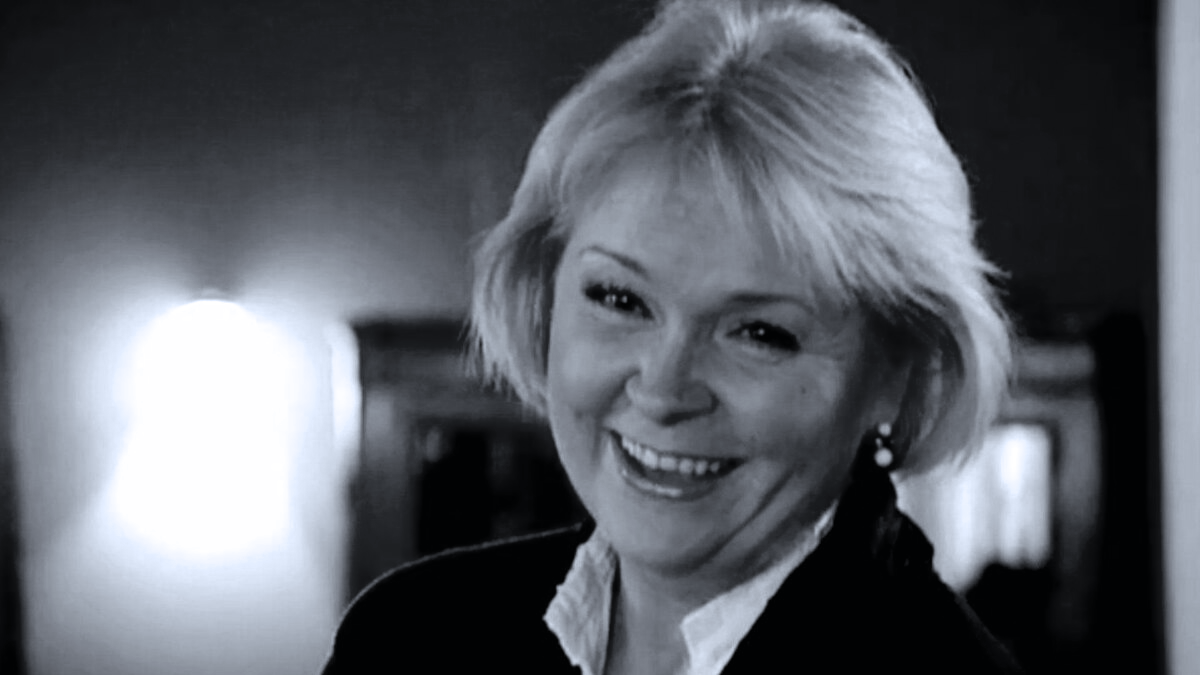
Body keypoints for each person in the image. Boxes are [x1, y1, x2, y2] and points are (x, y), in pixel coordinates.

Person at [321, 0, 1021, 672]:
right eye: (620, 298)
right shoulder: (406, 638)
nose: (662, 388)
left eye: (760, 332)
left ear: (900, 371)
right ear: (544, 287)